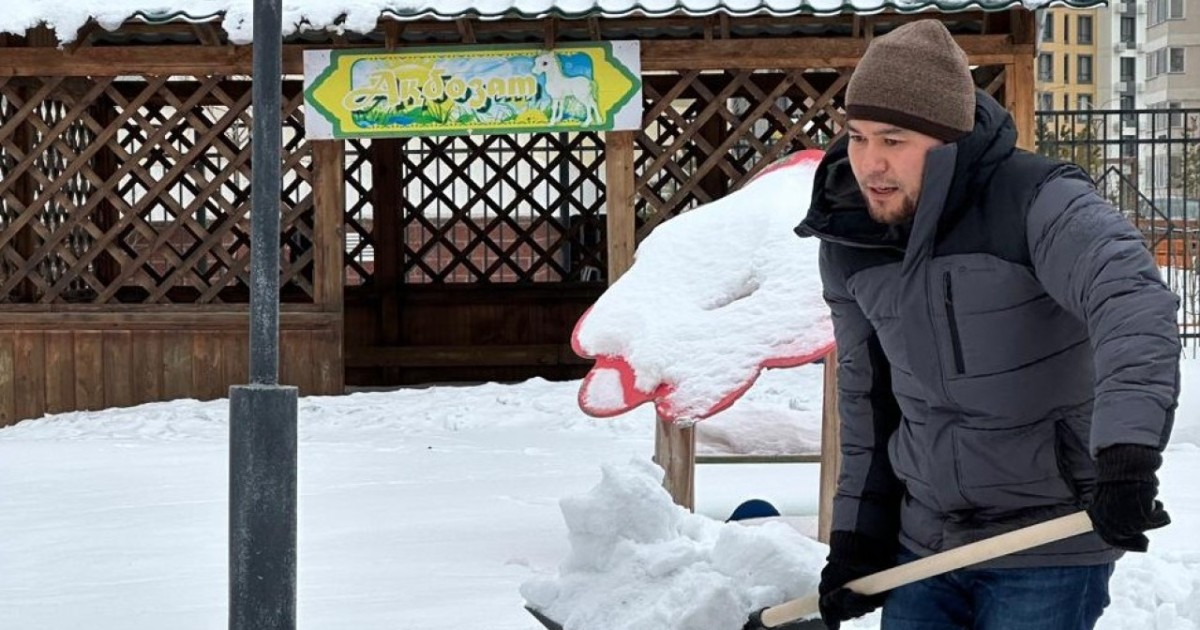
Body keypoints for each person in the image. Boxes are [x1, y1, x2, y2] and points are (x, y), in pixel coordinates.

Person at [794, 18, 1181, 630]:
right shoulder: (852, 233)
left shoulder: (1037, 199)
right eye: (859, 137)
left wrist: (1126, 455)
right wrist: (857, 538)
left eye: (894, 140)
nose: (870, 163)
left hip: (1049, 538)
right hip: (925, 543)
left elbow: (1132, 302)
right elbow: (867, 399)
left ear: (948, 141)